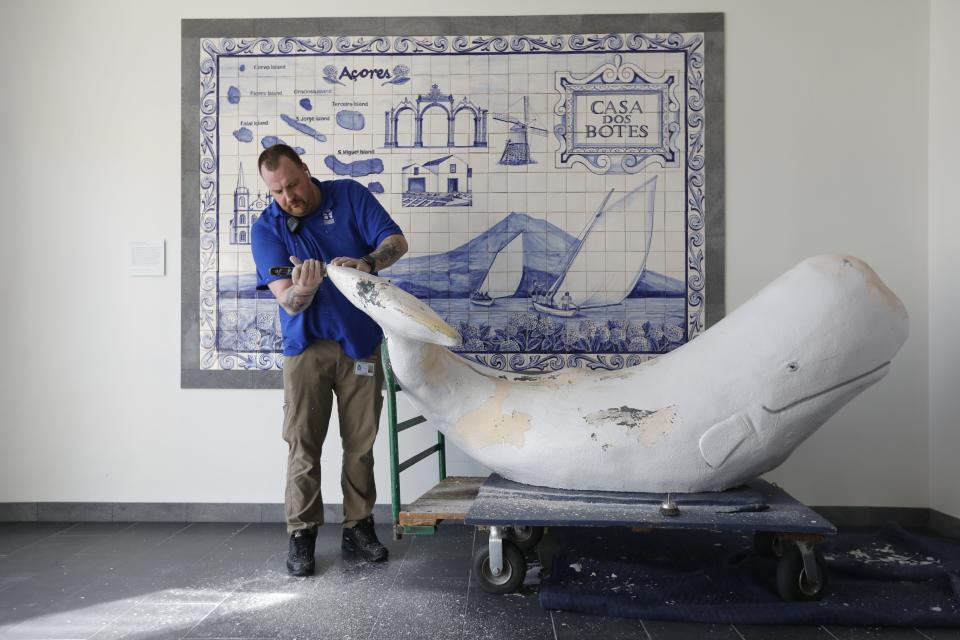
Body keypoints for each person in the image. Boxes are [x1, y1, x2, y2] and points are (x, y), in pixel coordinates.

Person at [250, 144, 408, 576]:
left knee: (360, 445)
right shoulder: (267, 228)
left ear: (305, 168)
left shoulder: (350, 196)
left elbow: (396, 241)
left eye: (293, 184)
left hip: (361, 343)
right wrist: (303, 289)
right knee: (303, 444)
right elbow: (288, 301)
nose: (289, 197)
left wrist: (367, 263)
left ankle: (358, 528)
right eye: (278, 191)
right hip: (305, 350)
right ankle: (301, 535)